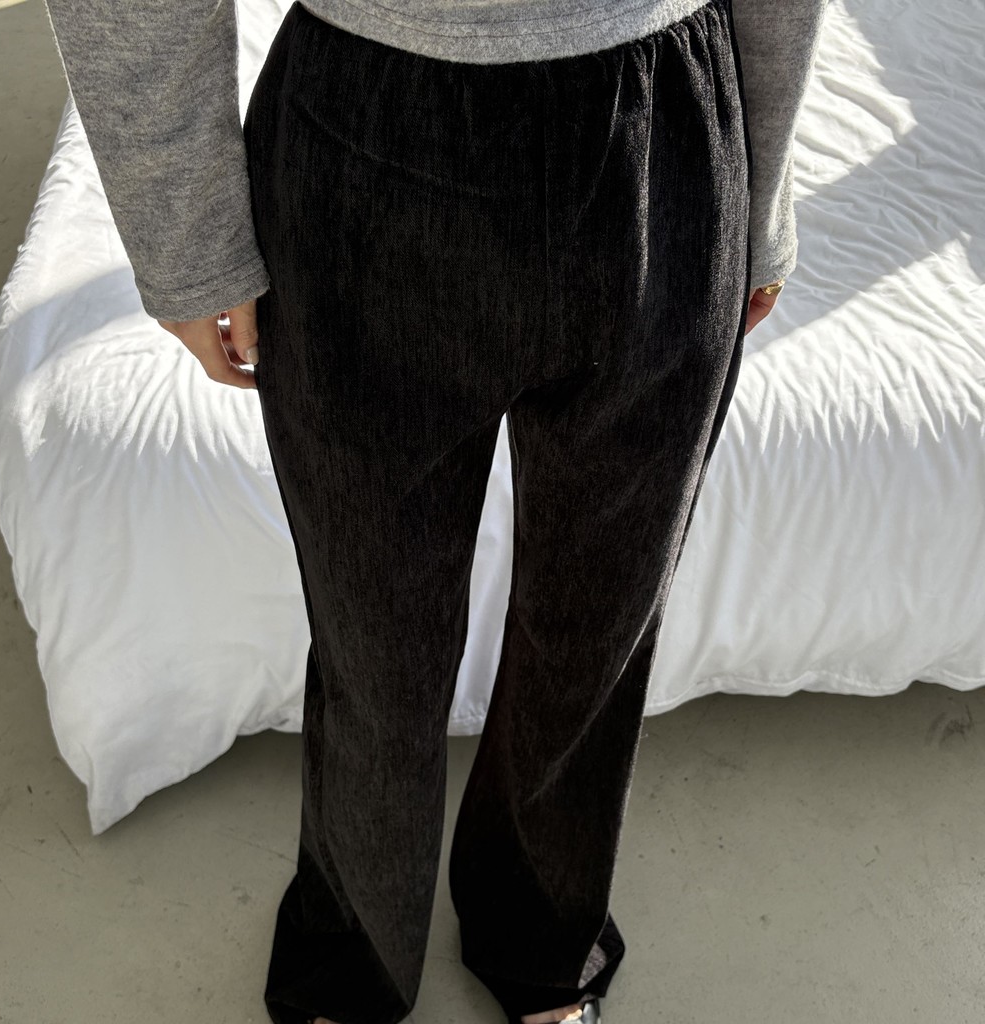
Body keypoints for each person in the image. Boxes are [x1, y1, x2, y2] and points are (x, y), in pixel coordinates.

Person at [42, 0, 828, 1022]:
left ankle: (544, 937)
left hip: (663, 132)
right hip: (366, 129)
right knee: (374, 642)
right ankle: (351, 959)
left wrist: (760, 179)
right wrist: (185, 240)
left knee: (597, 628)